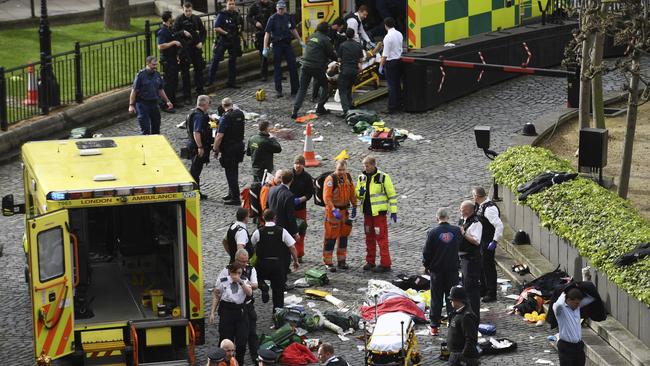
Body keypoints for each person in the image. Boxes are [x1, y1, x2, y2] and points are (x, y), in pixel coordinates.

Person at [422, 207, 461, 336]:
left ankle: (434, 326)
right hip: (452, 270)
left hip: (437, 271)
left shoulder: (432, 232)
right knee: (452, 298)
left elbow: (427, 252)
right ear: (448, 217)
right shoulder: (456, 231)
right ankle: (452, 323)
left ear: (437, 217)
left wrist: (426, 265)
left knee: (436, 298)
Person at [251, 209, 299, 310]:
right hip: (277, 265)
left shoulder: (258, 232)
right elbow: (292, 247)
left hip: (262, 263)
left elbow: (251, 245)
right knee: (278, 291)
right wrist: (296, 261)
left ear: (263, 218)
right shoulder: (282, 231)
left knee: (256, 277)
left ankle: (263, 285)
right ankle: (277, 313)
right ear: (275, 218)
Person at [356, 156, 397, 273]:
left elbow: (392, 195)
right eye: (364, 165)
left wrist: (394, 210)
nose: (365, 168)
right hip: (367, 214)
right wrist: (359, 193)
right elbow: (358, 193)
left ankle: (385, 263)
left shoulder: (383, 177)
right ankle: (370, 261)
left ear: (373, 165)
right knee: (369, 237)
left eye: (367, 165)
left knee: (381, 238)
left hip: (379, 214)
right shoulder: (362, 178)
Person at [218, 249, 259, 365]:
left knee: (249, 335)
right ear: (236, 260)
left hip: (246, 307)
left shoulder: (250, 270)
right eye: (242, 261)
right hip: (228, 310)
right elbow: (218, 291)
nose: (245, 264)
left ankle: (254, 358)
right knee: (226, 338)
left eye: (246, 261)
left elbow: (255, 285)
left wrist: (244, 282)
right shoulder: (227, 271)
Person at [291, 21, 337, 119]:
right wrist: (338, 59)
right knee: (326, 86)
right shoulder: (325, 39)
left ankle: (295, 110)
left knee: (302, 89)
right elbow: (331, 54)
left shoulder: (312, 36)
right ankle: (320, 107)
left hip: (304, 65)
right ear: (326, 30)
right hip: (316, 66)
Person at [209, 263, 252, 366]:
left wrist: (241, 282)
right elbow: (216, 296)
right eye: (234, 273)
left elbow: (249, 293)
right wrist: (212, 312)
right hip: (227, 311)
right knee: (225, 340)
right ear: (230, 272)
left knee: (241, 342)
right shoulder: (223, 281)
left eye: (239, 273)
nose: (236, 275)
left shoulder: (244, 280)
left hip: (240, 312)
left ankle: (239, 363)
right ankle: (224, 363)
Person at [262, 1, 304, 98]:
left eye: (282, 8)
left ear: (285, 8)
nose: (281, 10)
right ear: (277, 8)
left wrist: (300, 40)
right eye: (279, 8)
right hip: (277, 45)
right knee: (277, 68)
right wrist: (265, 47)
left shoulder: (288, 17)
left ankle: (295, 89)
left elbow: (293, 29)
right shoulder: (272, 18)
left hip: (287, 44)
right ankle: (278, 90)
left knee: (293, 66)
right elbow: (267, 34)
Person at [323, 159, 357, 272]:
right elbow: (327, 197)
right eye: (339, 170)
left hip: (345, 212)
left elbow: (352, 193)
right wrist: (333, 209)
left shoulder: (348, 178)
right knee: (330, 237)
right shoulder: (331, 180)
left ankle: (342, 261)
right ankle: (328, 261)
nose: (341, 172)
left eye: (343, 169)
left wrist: (355, 206)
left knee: (343, 237)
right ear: (335, 169)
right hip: (333, 213)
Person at [472, 186, 503, 303]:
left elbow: (499, 225)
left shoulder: (489, 209)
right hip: (481, 240)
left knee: (488, 267)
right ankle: (483, 288)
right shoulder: (480, 206)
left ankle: (491, 292)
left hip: (488, 241)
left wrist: (495, 241)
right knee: (481, 266)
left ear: (476, 196)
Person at [128, 56, 173, 135]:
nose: (155, 67)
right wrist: (131, 105)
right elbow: (134, 91)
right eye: (153, 65)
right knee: (145, 128)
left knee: (156, 127)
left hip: (154, 103)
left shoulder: (157, 75)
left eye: (156, 65)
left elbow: (160, 90)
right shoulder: (140, 75)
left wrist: (167, 101)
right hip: (142, 104)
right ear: (148, 64)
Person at [213, 97, 246, 205]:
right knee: (234, 170)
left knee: (230, 173)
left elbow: (219, 136)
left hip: (228, 149)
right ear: (232, 104)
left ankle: (235, 197)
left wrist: (215, 149)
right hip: (239, 146)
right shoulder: (240, 114)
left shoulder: (225, 118)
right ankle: (231, 193)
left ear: (223, 106)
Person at [553, 288, 595, 366]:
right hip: (566, 347)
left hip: (578, 347)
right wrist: (564, 292)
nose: (578, 306)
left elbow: (591, 298)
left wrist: (580, 285)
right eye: (576, 303)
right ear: (568, 300)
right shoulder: (561, 310)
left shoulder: (577, 307)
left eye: (578, 303)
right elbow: (557, 304)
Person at [173, 2, 207, 96]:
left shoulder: (196, 18)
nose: (188, 13)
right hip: (185, 49)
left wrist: (201, 42)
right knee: (185, 73)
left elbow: (203, 31)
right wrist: (182, 32)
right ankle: (187, 95)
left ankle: (200, 90)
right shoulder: (179, 19)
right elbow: (174, 33)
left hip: (195, 48)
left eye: (190, 11)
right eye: (186, 11)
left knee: (199, 69)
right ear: (183, 10)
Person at [208, 0, 243, 88]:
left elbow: (240, 28)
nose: (231, 6)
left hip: (233, 40)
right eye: (230, 4)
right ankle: (210, 81)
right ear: (226, 5)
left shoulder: (237, 15)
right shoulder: (222, 14)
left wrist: (243, 40)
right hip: (223, 40)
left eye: (233, 4)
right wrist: (226, 33)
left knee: (232, 62)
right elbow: (216, 27)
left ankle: (231, 82)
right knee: (215, 60)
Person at [458, 200, 482, 320]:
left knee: (471, 288)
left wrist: (463, 234)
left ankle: (474, 315)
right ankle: (467, 312)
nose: (460, 210)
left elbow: (476, 241)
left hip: (471, 260)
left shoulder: (476, 223)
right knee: (465, 286)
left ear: (469, 210)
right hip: (464, 258)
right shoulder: (463, 220)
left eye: (462, 209)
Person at [186, 95, 212, 199]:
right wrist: (200, 147)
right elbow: (196, 132)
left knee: (195, 169)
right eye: (209, 103)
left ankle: (196, 191)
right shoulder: (199, 116)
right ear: (205, 104)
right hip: (197, 147)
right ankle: (195, 192)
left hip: (192, 145)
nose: (209, 105)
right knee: (195, 170)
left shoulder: (192, 112)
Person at [447, 286, 479, 366]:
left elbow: (471, 339)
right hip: (455, 354)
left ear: (458, 300)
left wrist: (462, 356)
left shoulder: (466, 317)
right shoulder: (457, 313)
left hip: (461, 356)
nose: (450, 301)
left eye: (452, 299)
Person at [289, 155, 314, 262]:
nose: (298, 166)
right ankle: (288, 252)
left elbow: (309, 193)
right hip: (289, 208)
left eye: (300, 164)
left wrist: (300, 199)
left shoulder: (307, 177)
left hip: (300, 208)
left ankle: (299, 253)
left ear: (303, 165)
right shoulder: (289, 175)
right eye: (296, 163)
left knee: (300, 231)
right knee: (288, 231)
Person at [157, 11, 182, 112]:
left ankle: (173, 101)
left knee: (174, 81)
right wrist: (174, 42)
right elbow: (161, 46)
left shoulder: (169, 29)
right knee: (168, 83)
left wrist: (176, 56)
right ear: (168, 19)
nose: (172, 19)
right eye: (171, 17)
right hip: (167, 60)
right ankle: (165, 104)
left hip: (172, 59)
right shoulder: (162, 31)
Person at [337, 28, 364, 118]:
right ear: (353, 35)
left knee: (342, 91)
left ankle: (346, 111)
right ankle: (350, 107)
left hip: (345, 70)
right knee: (349, 88)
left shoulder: (342, 45)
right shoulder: (358, 45)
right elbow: (360, 59)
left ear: (346, 35)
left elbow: (339, 59)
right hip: (354, 71)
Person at [247, 0, 276, 81]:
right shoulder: (255, 6)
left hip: (272, 31)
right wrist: (255, 22)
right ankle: (264, 74)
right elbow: (248, 17)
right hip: (261, 32)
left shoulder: (272, 4)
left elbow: (277, 14)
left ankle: (278, 73)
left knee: (277, 52)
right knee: (263, 54)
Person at [379, 17, 403, 114]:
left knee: (391, 86)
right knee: (397, 84)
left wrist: (381, 66)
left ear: (385, 25)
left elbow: (385, 54)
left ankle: (392, 107)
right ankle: (398, 104)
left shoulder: (387, 37)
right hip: (399, 60)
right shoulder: (399, 34)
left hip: (391, 62)